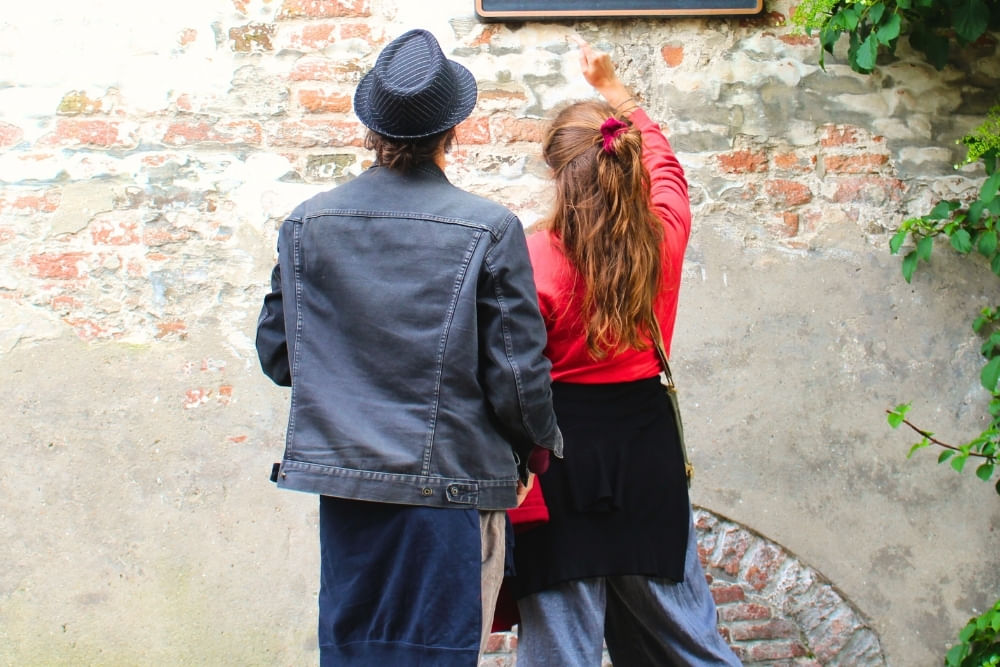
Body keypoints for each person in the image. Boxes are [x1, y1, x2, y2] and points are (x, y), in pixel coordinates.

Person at [254, 28, 562, 667]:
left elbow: (280, 355)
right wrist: (537, 450)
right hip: (451, 489)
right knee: (440, 652)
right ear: (454, 130)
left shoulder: (308, 223)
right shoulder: (489, 227)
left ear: (371, 129)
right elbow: (516, 376)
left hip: (349, 490)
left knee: (356, 654)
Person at [510, 39, 743, 666]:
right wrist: (616, 90)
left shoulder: (532, 258)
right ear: (628, 160)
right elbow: (670, 171)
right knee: (687, 639)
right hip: (646, 447)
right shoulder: (664, 237)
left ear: (558, 174)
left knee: (561, 648)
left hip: (557, 456)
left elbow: (512, 370)